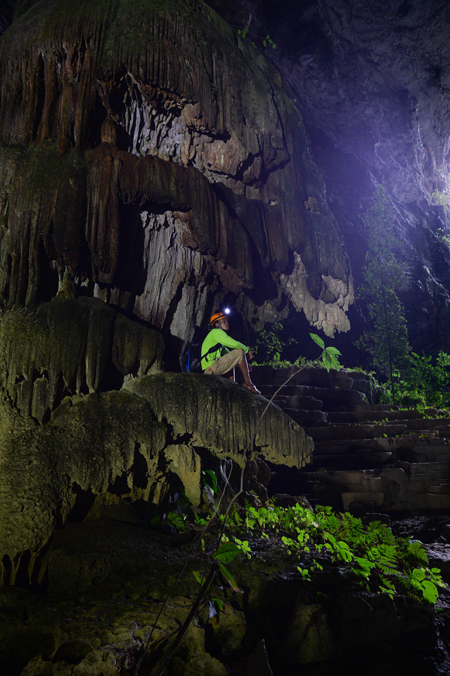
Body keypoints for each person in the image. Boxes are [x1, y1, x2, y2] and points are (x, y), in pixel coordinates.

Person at [201, 312, 261, 394]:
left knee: (233, 356)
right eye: (223, 321)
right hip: (211, 368)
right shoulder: (216, 332)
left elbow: (229, 354)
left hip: (212, 368)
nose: (227, 323)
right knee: (239, 352)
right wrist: (247, 350)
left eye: (227, 321)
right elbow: (234, 344)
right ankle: (248, 384)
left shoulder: (218, 339)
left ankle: (232, 384)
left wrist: (245, 363)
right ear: (217, 325)